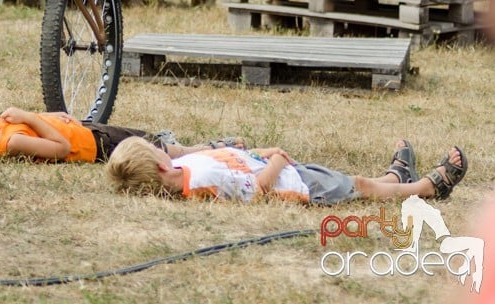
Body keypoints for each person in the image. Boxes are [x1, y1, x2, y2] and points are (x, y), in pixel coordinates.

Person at [106, 136, 468, 205]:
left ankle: (395, 177)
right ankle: (425, 188)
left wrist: (261, 152)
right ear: (159, 164)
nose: (160, 146)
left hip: (290, 171)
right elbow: (253, 190)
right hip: (297, 185)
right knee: (356, 186)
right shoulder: (199, 183)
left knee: (353, 181)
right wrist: (277, 160)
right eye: (155, 148)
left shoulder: (184, 165)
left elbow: (227, 156)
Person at [0, 98, 245, 163]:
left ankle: (196, 147)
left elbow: (39, 124)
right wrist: (30, 117)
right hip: (96, 145)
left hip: (85, 130)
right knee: (163, 152)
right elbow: (60, 148)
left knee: (153, 140)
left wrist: (48, 115)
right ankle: (217, 150)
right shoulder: (11, 143)